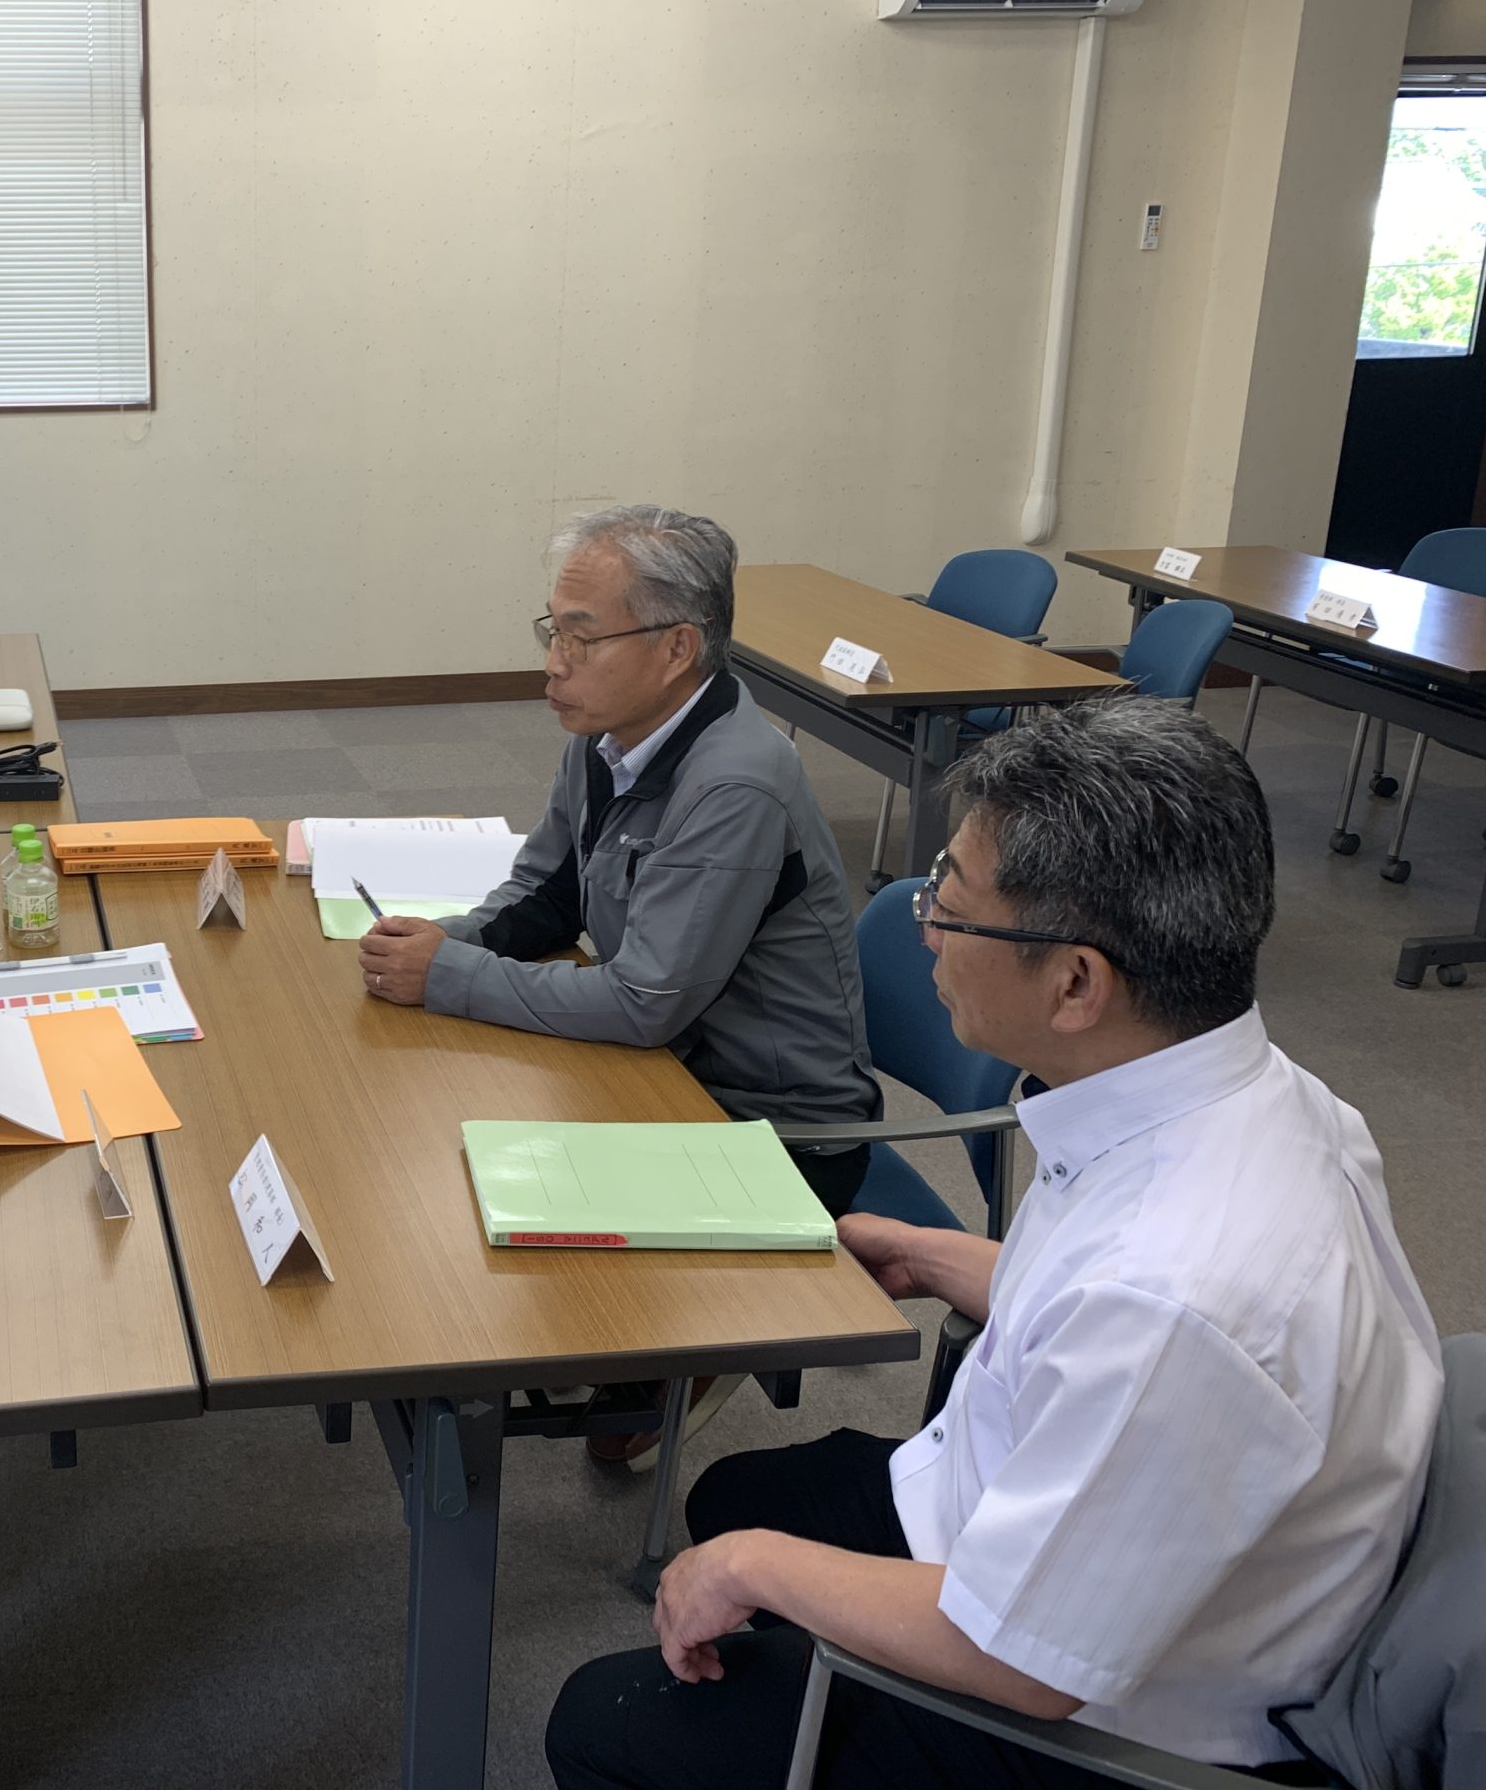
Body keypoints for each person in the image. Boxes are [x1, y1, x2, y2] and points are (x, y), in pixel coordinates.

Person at [544, 700, 1444, 1790]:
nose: (923, 926)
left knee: (602, 1720)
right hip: (1062, 1521)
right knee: (737, 1494)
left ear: (1075, 983)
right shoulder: (1232, 1092)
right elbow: (1104, 1304)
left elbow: (1022, 1658)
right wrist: (936, 1255)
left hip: (1099, 1719)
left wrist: (752, 1571)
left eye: (951, 906)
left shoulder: (1179, 1298)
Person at [359, 505, 881, 1463]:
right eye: (551, 631)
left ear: (678, 648)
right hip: (668, 1069)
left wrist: (450, 976)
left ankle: (698, 1329)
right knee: (445, 1120)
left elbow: (642, 1003)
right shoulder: (606, 737)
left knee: (468, 1175)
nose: (553, 664)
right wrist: (439, 943)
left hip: (765, 1125)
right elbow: (546, 894)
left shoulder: (734, 781)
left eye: (582, 637)